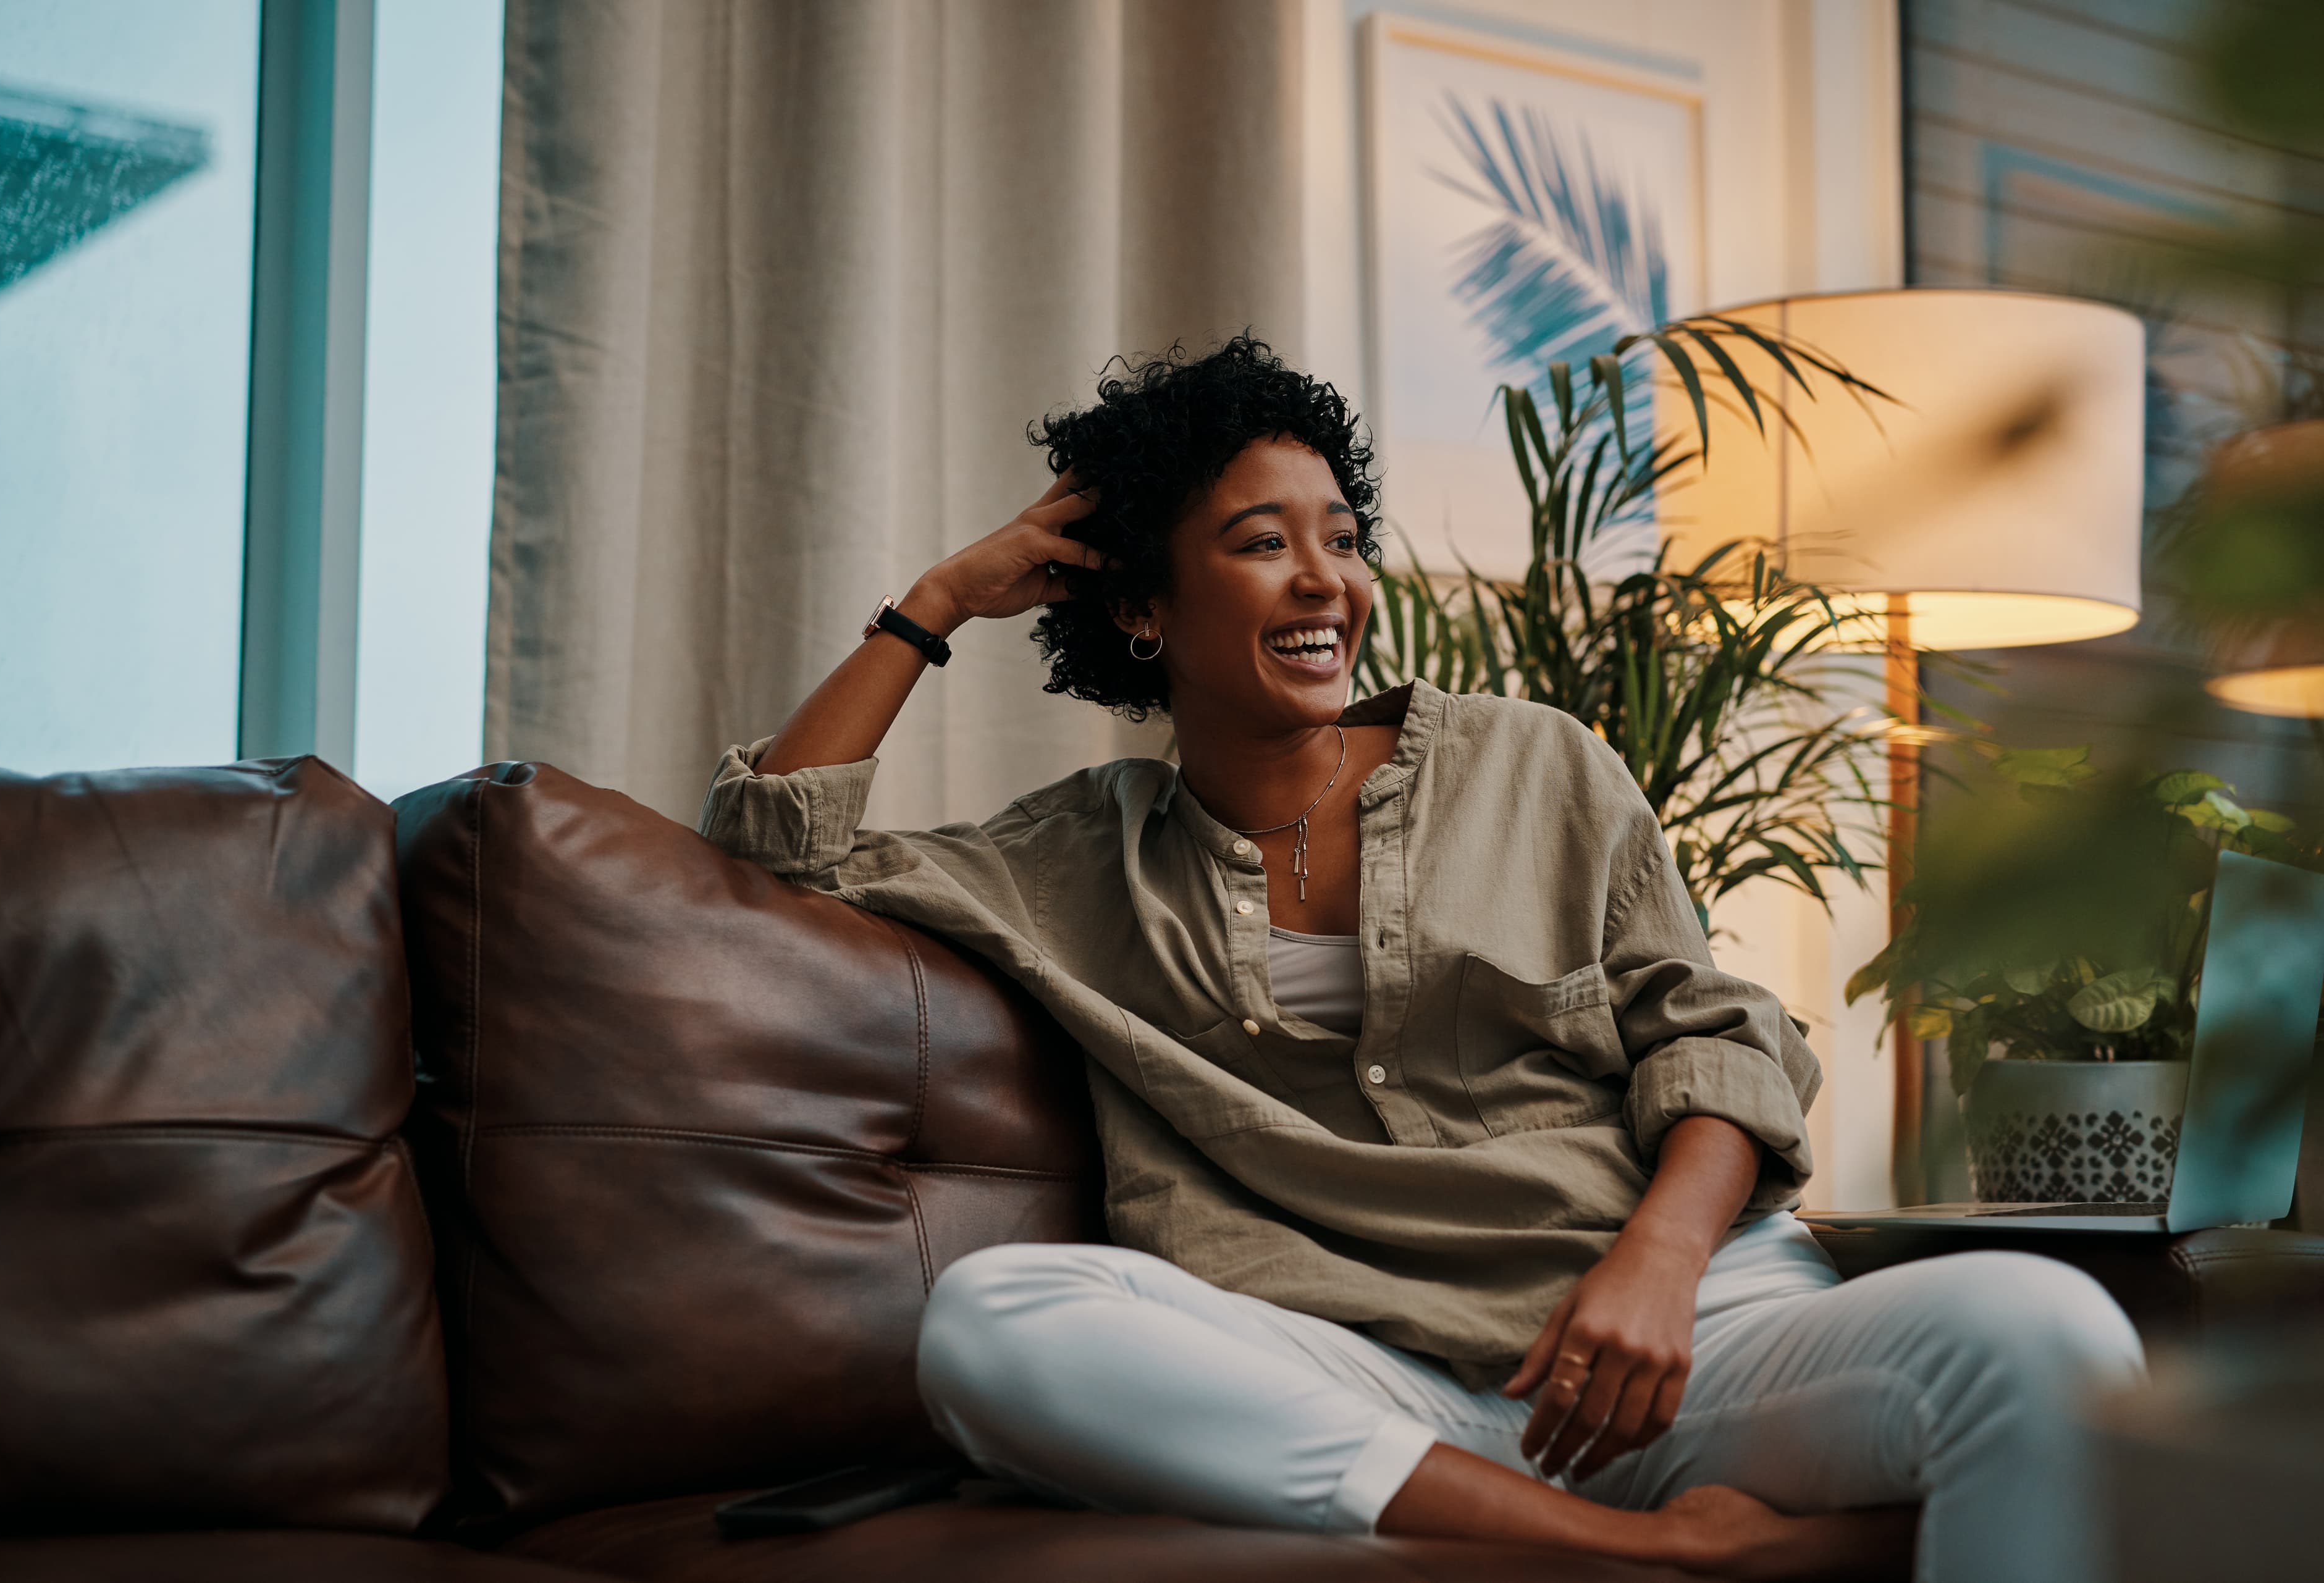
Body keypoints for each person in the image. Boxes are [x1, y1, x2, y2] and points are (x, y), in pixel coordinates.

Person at [699, 336, 2144, 1581]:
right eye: (1261, 542)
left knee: (2045, 1329)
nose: (1325, 580)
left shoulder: (1538, 764)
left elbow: (1715, 1035)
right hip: (1384, 1385)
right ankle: (1660, 1555)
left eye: (1340, 535)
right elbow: (771, 844)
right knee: (994, 1319)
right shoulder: (1072, 861)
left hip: (1686, 1337)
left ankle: (1658, 1491)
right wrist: (937, 600)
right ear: (1141, 605)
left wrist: (1656, 1259)